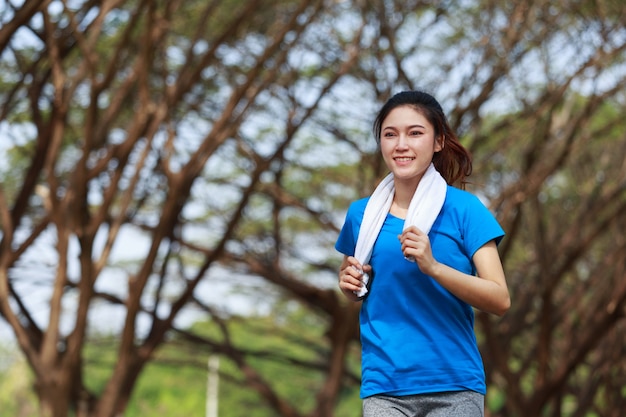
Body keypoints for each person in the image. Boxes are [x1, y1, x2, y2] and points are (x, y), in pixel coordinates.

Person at [335, 90, 510, 417]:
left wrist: (433, 266)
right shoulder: (362, 216)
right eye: (390, 134)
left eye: (415, 133)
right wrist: (348, 286)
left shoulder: (465, 209)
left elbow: (500, 299)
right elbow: (358, 283)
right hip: (384, 385)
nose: (401, 144)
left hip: (453, 384)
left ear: (438, 141)